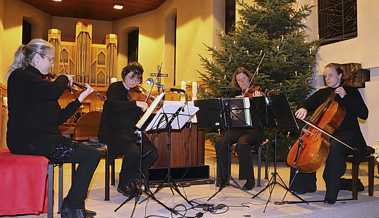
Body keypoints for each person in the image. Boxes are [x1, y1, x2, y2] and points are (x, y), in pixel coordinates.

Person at [6, 39, 101, 218]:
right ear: (36, 58)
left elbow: (58, 118)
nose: (53, 64)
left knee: (92, 152)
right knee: (92, 154)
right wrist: (64, 78)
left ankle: (73, 204)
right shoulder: (21, 76)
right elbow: (52, 91)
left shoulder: (40, 83)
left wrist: (80, 99)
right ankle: (72, 206)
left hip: (44, 138)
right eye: (50, 59)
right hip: (27, 140)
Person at [290, 63, 369, 204]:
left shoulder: (350, 91)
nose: (327, 78)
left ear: (340, 75)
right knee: (304, 144)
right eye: (325, 76)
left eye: (330, 75)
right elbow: (306, 103)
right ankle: (306, 184)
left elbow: (364, 114)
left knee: (335, 146)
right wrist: (303, 108)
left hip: (349, 135)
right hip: (327, 133)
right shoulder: (323, 93)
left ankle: (332, 193)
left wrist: (345, 97)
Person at [98, 62, 158, 197]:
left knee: (152, 152)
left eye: (138, 79)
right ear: (124, 75)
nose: (134, 81)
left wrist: (147, 113)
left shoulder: (136, 93)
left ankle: (135, 179)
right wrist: (135, 104)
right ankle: (124, 184)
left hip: (129, 132)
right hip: (113, 132)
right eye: (132, 77)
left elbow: (135, 118)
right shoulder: (115, 88)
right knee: (133, 151)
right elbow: (113, 105)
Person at [215, 67, 264, 190]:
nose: (242, 82)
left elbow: (263, 115)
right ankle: (223, 177)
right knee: (221, 141)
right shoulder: (235, 95)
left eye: (243, 79)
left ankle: (249, 179)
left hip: (254, 129)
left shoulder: (256, 93)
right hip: (238, 128)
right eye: (239, 80)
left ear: (249, 78)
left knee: (242, 143)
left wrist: (259, 101)